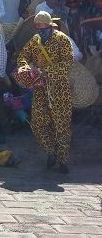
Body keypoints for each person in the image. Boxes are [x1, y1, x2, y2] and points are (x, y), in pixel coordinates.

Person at [17, 11, 75, 174]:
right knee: (38, 122)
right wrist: (27, 70)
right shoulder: (35, 41)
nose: (39, 29)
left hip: (59, 88)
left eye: (42, 26)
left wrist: (46, 71)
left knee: (62, 125)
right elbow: (22, 57)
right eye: (37, 26)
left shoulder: (62, 39)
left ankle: (63, 160)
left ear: (50, 25)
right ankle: (51, 151)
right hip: (41, 88)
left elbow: (68, 63)